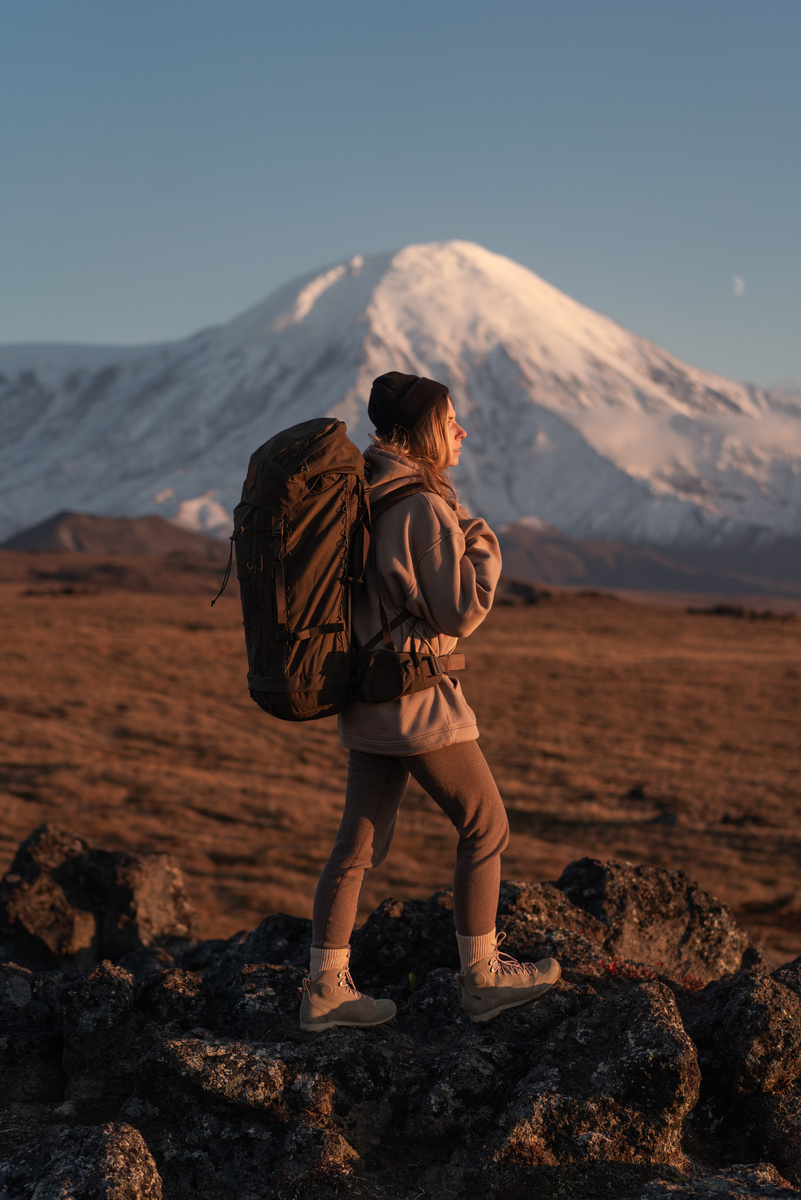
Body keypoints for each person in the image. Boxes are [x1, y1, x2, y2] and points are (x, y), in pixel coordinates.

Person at [299, 371, 560, 1032]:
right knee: (485, 826)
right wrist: (480, 541)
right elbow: (460, 608)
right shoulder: (419, 505)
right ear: (421, 431)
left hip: (367, 701)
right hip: (416, 702)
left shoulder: (360, 490)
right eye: (450, 422)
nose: (461, 432)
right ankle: (483, 980)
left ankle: (326, 987)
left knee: (355, 847)